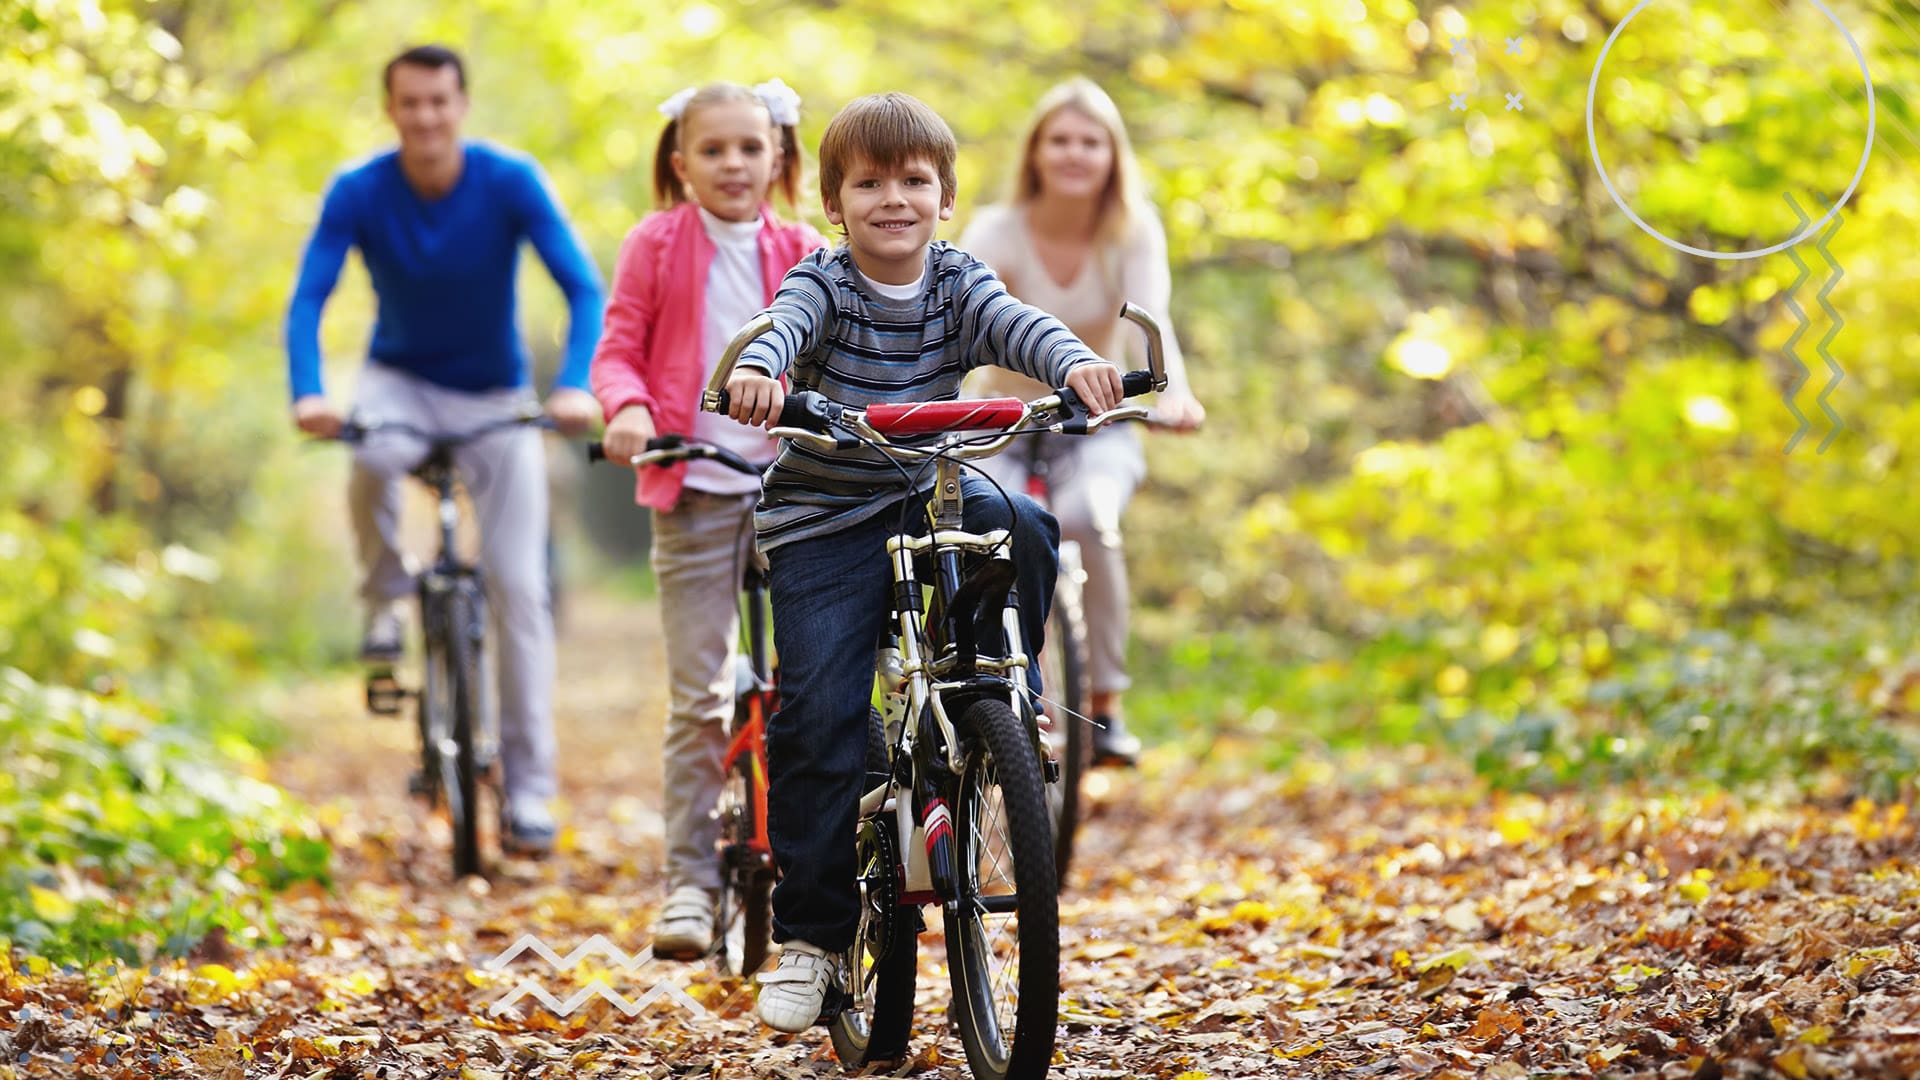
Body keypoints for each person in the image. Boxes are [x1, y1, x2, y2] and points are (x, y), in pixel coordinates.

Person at [720, 91, 1123, 1033]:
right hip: (824, 511)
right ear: (834, 203)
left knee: (1022, 521)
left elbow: (1022, 324)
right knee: (818, 711)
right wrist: (762, 373)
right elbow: (781, 327)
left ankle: (1004, 696)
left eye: (913, 181)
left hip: (926, 488)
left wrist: (1075, 366)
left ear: (945, 198)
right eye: (868, 183)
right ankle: (813, 942)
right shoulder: (823, 285)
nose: (892, 199)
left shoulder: (957, 279)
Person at [285, 44, 604, 854]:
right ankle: (385, 596)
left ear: (461, 105)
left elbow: (581, 286)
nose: (425, 117)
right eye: (410, 103)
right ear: (390, 110)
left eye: (439, 101)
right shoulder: (360, 190)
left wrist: (571, 383)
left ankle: (530, 795)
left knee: (519, 590)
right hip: (399, 383)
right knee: (370, 458)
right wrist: (309, 392)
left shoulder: (509, 180)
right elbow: (310, 297)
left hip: (495, 395)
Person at [588, 80, 826, 959]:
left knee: (817, 689)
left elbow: (829, 354)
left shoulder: (806, 250)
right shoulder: (654, 244)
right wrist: (628, 410)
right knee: (697, 698)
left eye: (750, 149)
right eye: (714, 150)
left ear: (778, 158)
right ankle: (688, 883)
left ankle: (820, 875)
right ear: (682, 164)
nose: (734, 164)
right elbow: (618, 348)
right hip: (693, 485)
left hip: (796, 490)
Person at [958, 77, 1205, 768]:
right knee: (986, 529)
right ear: (1035, 152)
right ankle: (998, 687)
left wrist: (1171, 396)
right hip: (1000, 417)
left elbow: (1153, 327)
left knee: (1091, 519)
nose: (1074, 154)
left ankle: (1105, 706)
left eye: (1089, 142)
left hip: (1096, 423)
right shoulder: (996, 230)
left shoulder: (1132, 230)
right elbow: (962, 325)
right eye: (1059, 140)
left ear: (1112, 154)